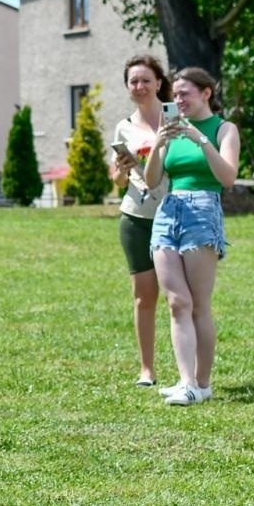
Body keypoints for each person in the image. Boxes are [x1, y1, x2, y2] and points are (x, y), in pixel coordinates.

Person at [143, 66, 240, 406]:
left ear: (206, 94)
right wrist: (158, 144)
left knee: (198, 304)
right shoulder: (169, 128)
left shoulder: (223, 129)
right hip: (168, 212)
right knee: (176, 302)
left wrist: (199, 139)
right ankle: (186, 382)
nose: (178, 99)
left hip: (203, 211)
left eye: (184, 93)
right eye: (175, 94)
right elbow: (153, 180)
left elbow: (227, 177)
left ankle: (202, 383)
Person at [109, 54, 171, 388]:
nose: (140, 86)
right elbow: (118, 182)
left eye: (146, 79)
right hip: (136, 217)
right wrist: (120, 168)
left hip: (175, 214)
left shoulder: (175, 118)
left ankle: (188, 368)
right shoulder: (123, 127)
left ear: (159, 83)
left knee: (181, 297)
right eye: (133, 81)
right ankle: (147, 369)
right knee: (144, 296)